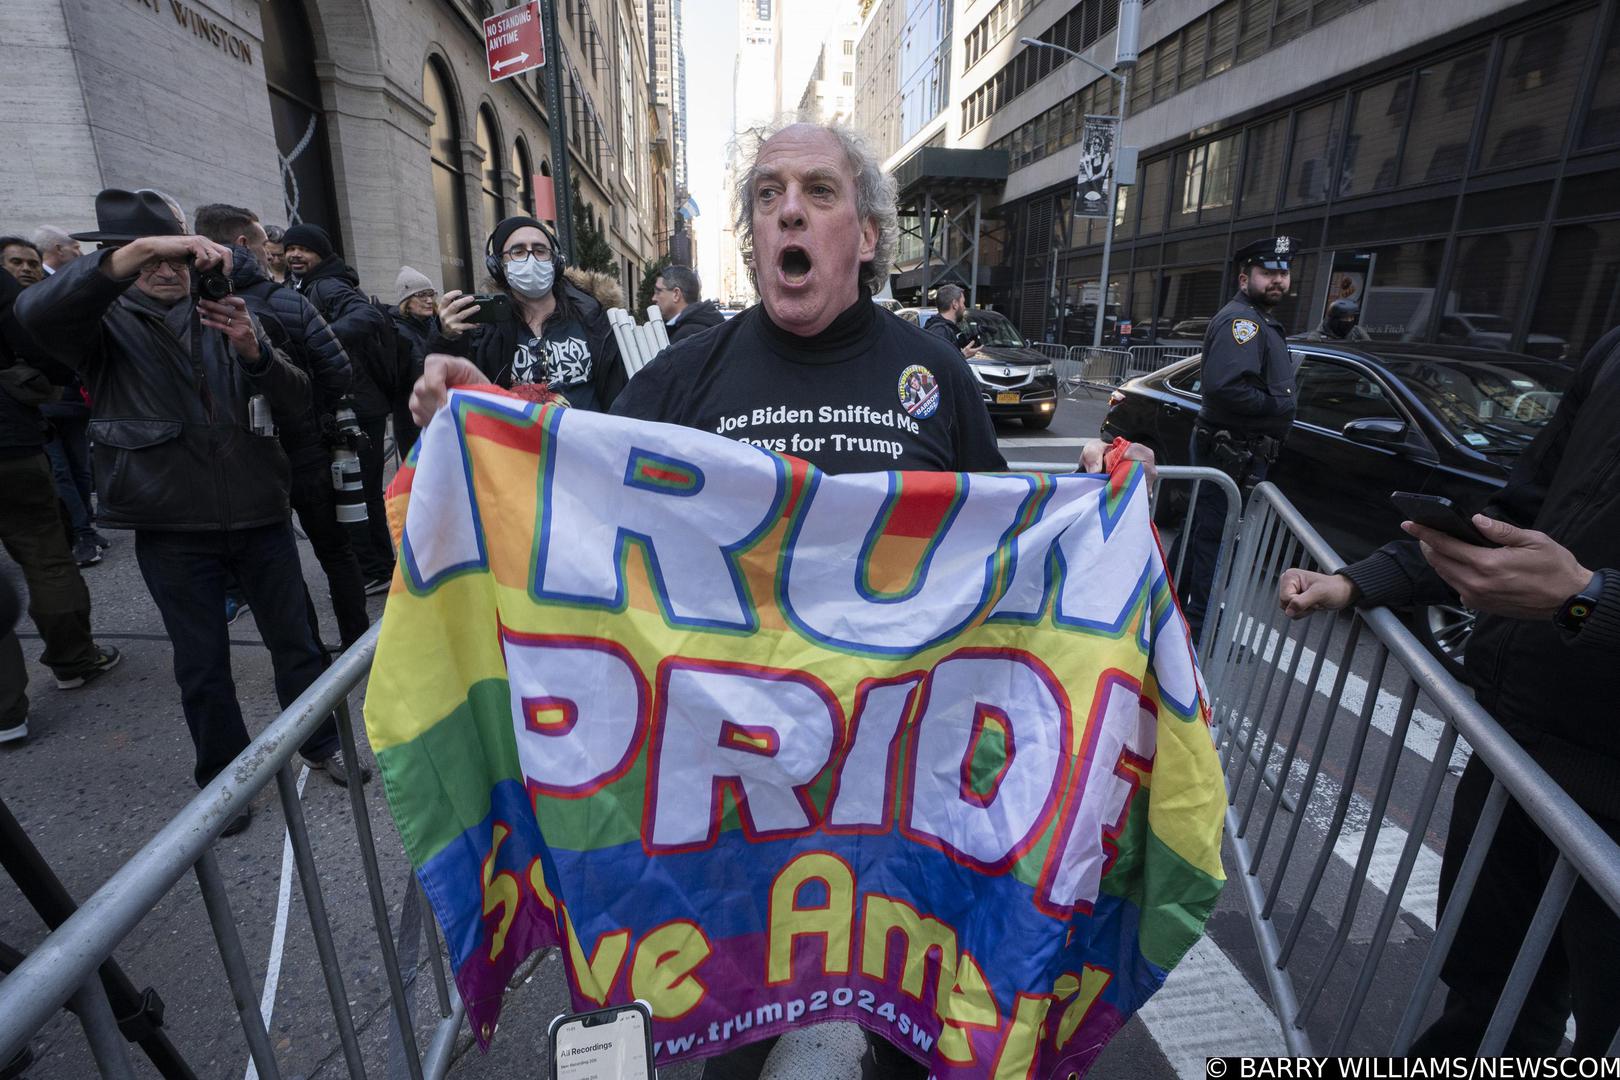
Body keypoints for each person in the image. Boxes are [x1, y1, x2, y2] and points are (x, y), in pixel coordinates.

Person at [410, 120, 1152, 1078]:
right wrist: (489, 418)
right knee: (737, 1019)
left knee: (906, 1022)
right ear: (754, 233)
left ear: (869, 234)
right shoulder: (688, 373)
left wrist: (1090, 507)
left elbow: (1002, 552)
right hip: (743, 786)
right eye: (767, 194)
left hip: (897, 784)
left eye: (819, 191)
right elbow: (575, 482)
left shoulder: (934, 375)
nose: (788, 210)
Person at [1278, 324, 1620, 1056]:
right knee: (1488, 999)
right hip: (1516, 757)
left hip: (1605, 800)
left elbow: (1572, 582)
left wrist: (1590, 600)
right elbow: (1521, 515)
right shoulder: (1613, 349)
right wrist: (1363, 579)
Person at [16, 189, 370, 836]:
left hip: (261, 513)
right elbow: (35, 313)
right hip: (170, 524)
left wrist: (255, 354)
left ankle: (321, 744)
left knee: (296, 645)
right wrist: (136, 253)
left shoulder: (228, 310)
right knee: (201, 663)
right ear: (121, 257)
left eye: (177, 256)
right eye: (150, 256)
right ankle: (224, 782)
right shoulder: (103, 321)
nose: (166, 269)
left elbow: (297, 401)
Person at [194, 203, 371, 650]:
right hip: (301, 448)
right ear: (240, 246)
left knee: (279, 563)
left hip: (238, 461)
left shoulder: (188, 309)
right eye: (263, 245)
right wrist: (318, 412)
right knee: (333, 549)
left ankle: (308, 652)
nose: (272, 254)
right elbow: (338, 372)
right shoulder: (286, 301)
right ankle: (356, 644)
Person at [0, 249, 119, 709]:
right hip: (12, 442)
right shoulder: (8, 295)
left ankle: (7, 706)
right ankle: (73, 659)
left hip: (16, 439)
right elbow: (41, 348)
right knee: (46, 556)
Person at [1176, 235, 1300, 644]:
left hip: (1236, 449)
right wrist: (1278, 405)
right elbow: (1227, 387)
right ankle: (1200, 630)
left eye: (1283, 272)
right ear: (1245, 278)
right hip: (1233, 449)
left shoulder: (1258, 319)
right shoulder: (1242, 323)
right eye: (1269, 273)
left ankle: (1173, 616)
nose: (1278, 280)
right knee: (1215, 541)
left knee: (1201, 535)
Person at [282, 223, 396, 594]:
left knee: (355, 490)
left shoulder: (328, 284)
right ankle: (379, 564)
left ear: (322, 253)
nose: (295, 254)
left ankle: (373, 568)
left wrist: (317, 342)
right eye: (291, 248)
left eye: (304, 249)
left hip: (357, 406)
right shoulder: (310, 284)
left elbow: (367, 316)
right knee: (361, 489)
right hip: (357, 403)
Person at [425, 216, 624, 412]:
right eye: (518, 251)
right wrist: (446, 339)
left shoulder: (592, 316)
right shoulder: (483, 327)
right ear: (498, 265)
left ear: (555, 262)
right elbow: (447, 391)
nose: (531, 259)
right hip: (513, 442)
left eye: (540, 250)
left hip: (584, 440)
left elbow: (619, 391)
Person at [0, 237, 107, 568]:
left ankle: (85, 526)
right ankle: (81, 533)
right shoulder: (10, 305)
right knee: (58, 471)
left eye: (31, 263)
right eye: (16, 262)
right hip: (29, 415)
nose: (26, 269)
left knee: (78, 468)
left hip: (68, 402)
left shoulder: (49, 295)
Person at [389, 266, 438, 459]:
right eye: (421, 295)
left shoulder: (435, 324)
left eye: (430, 294)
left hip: (436, 407)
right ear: (406, 301)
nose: (428, 300)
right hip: (411, 414)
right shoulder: (397, 331)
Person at [653, 264, 724, 343]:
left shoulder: (689, 335)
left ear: (676, 294)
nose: (654, 298)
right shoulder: (701, 326)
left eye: (658, 292)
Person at [922, 283, 982, 358]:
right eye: (963, 303)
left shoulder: (943, 329)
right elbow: (937, 363)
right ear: (955, 304)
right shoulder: (941, 331)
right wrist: (963, 356)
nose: (964, 307)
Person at [1304, 297, 1369, 343]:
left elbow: (1369, 348)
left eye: (1351, 318)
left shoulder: (1357, 332)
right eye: (1345, 318)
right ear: (1334, 319)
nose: (1349, 321)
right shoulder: (1317, 337)